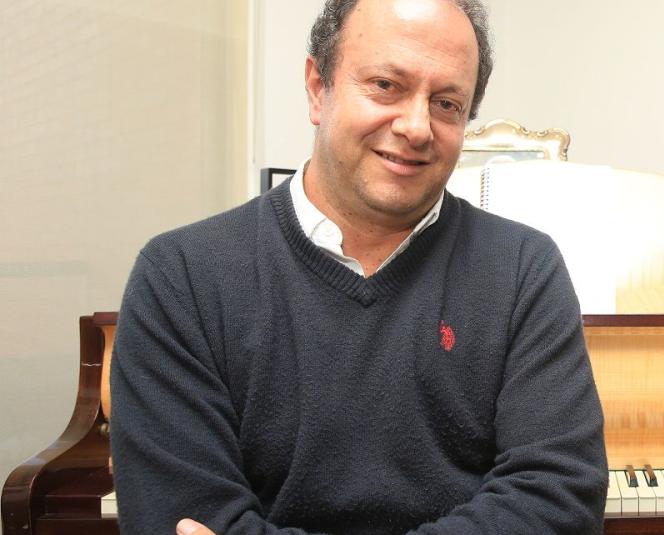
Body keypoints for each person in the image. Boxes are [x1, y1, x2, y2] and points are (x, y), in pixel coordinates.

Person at [108, 0, 608, 534]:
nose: (416, 127)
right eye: (386, 86)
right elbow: (178, 515)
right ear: (316, 88)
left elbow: (558, 499)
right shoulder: (180, 278)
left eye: (446, 103)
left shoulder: (524, 270)